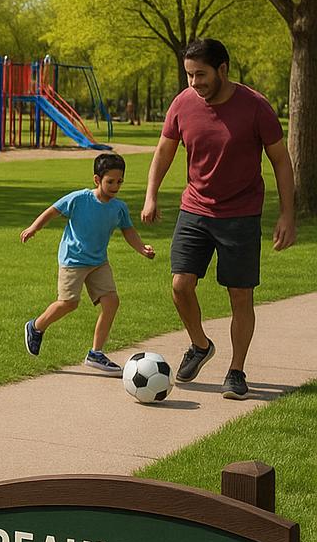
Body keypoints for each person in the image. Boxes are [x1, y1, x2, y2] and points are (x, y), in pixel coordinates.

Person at [141, 38, 295, 400]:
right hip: (195, 208)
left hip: (240, 214)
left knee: (240, 295)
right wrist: (151, 194)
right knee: (180, 285)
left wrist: (287, 214)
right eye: (189, 75)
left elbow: (281, 162)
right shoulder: (183, 103)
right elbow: (164, 150)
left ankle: (237, 371)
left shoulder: (256, 107)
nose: (194, 83)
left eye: (201, 75)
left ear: (223, 69)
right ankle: (200, 344)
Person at [22, 153, 155, 372]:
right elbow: (53, 211)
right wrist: (34, 228)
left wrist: (141, 248)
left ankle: (96, 353)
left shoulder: (118, 207)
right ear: (97, 180)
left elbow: (128, 230)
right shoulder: (79, 199)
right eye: (110, 181)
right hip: (73, 259)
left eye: (119, 181)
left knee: (111, 301)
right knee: (69, 303)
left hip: (98, 262)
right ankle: (36, 327)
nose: (115, 186)